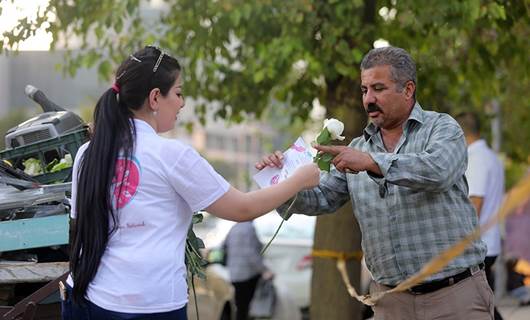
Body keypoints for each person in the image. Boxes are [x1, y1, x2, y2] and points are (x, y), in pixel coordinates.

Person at [63, 46, 320, 320]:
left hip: (84, 299)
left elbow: (77, 228)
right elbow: (242, 209)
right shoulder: (172, 155)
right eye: (178, 92)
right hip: (148, 306)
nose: (182, 103)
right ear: (154, 98)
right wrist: (298, 180)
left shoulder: (86, 154)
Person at [257, 46, 493, 319]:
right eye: (364, 90)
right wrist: (280, 182)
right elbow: (322, 198)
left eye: (378, 88)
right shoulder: (357, 148)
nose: (368, 99)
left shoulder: (442, 128)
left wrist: (371, 162)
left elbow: (438, 171)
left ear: (408, 90)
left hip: (454, 297)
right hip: (389, 303)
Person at [456, 111, 504, 320]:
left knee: (478, 308)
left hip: (477, 246)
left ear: (459, 133)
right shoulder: (490, 156)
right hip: (489, 242)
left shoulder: (475, 159)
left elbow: (474, 204)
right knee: (484, 306)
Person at [224, 221, 273, 320]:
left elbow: (224, 246)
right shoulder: (249, 228)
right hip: (247, 274)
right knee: (245, 308)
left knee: (240, 306)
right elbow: (250, 253)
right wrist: (264, 270)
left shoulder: (234, 227)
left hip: (234, 273)